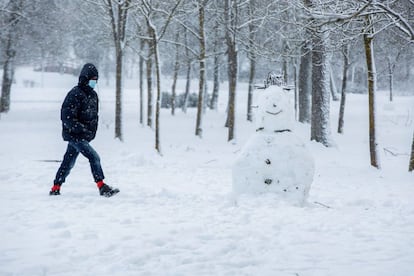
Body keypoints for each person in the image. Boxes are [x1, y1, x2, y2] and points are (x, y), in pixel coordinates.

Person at [49, 63, 119, 197]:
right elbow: (66, 116)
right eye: (93, 80)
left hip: (84, 136)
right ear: (85, 79)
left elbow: (94, 116)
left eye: (96, 80)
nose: (95, 82)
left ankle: (55, 187)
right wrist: (80, 129)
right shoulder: (75, 94)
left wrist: (90, 132)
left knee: (68, 162)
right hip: (75, 135)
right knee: (94, 157)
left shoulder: (93, 96)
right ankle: (102, 186)